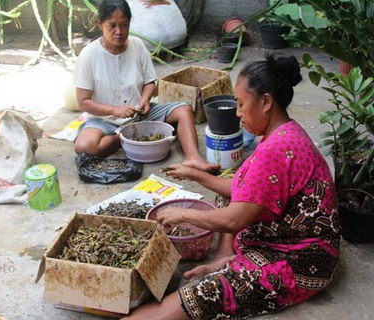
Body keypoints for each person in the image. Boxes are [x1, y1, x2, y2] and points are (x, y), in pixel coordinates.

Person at [122, 54, 341, 319]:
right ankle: (225, 256)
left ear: (266, 102)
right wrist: (195, 174)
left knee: (198, 297)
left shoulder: (277, 149)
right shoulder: (282, 131)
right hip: (286, 233)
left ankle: (221, 272)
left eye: (240, 104)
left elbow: (234, 219)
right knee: (227, 196)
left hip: (303, 261)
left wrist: (181, 214)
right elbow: (240, 187)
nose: (237, 113)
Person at [73, 0, 217, 172]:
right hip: (105, 119)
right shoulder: (89, 55)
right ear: (100, 24)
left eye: (124, 25)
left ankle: (193, 158)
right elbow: (83, 101)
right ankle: (125, 138)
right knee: (84, 146)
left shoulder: (137, 45)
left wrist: (145, 99)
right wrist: (114, 110)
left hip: (140, 114)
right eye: (112, 26)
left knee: (184, 109)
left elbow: (150, 82)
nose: (118, 31)